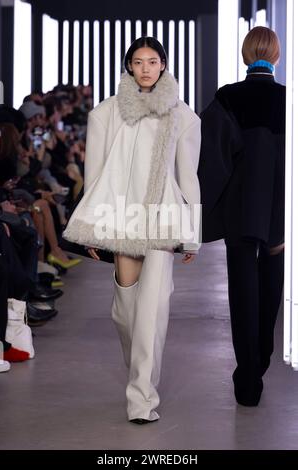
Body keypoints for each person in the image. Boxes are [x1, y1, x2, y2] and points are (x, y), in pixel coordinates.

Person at [63, 37, 201, 423]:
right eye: (138, 62)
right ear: (128, 67)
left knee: (153, 311)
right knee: (126, 312)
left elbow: (189, 178)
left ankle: (142, 398)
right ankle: (139, 373)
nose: (145, 68)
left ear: (163, 66)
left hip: (162, 220)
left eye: (153, 61)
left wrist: (193, 233)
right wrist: (91, 229)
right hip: (121, 218)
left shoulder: (183, 117)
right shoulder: (106, 114)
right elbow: (95, 178)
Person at [198, 27, 285, 406]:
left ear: (246, 55)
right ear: (277, 56)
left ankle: (247, 378)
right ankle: (262, 360)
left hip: (240, 209)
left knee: (242, 290)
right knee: (270, 288)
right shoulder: (290, 100)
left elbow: (212, 160)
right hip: (278, 208)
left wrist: (202, 210)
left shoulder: (227, 99)